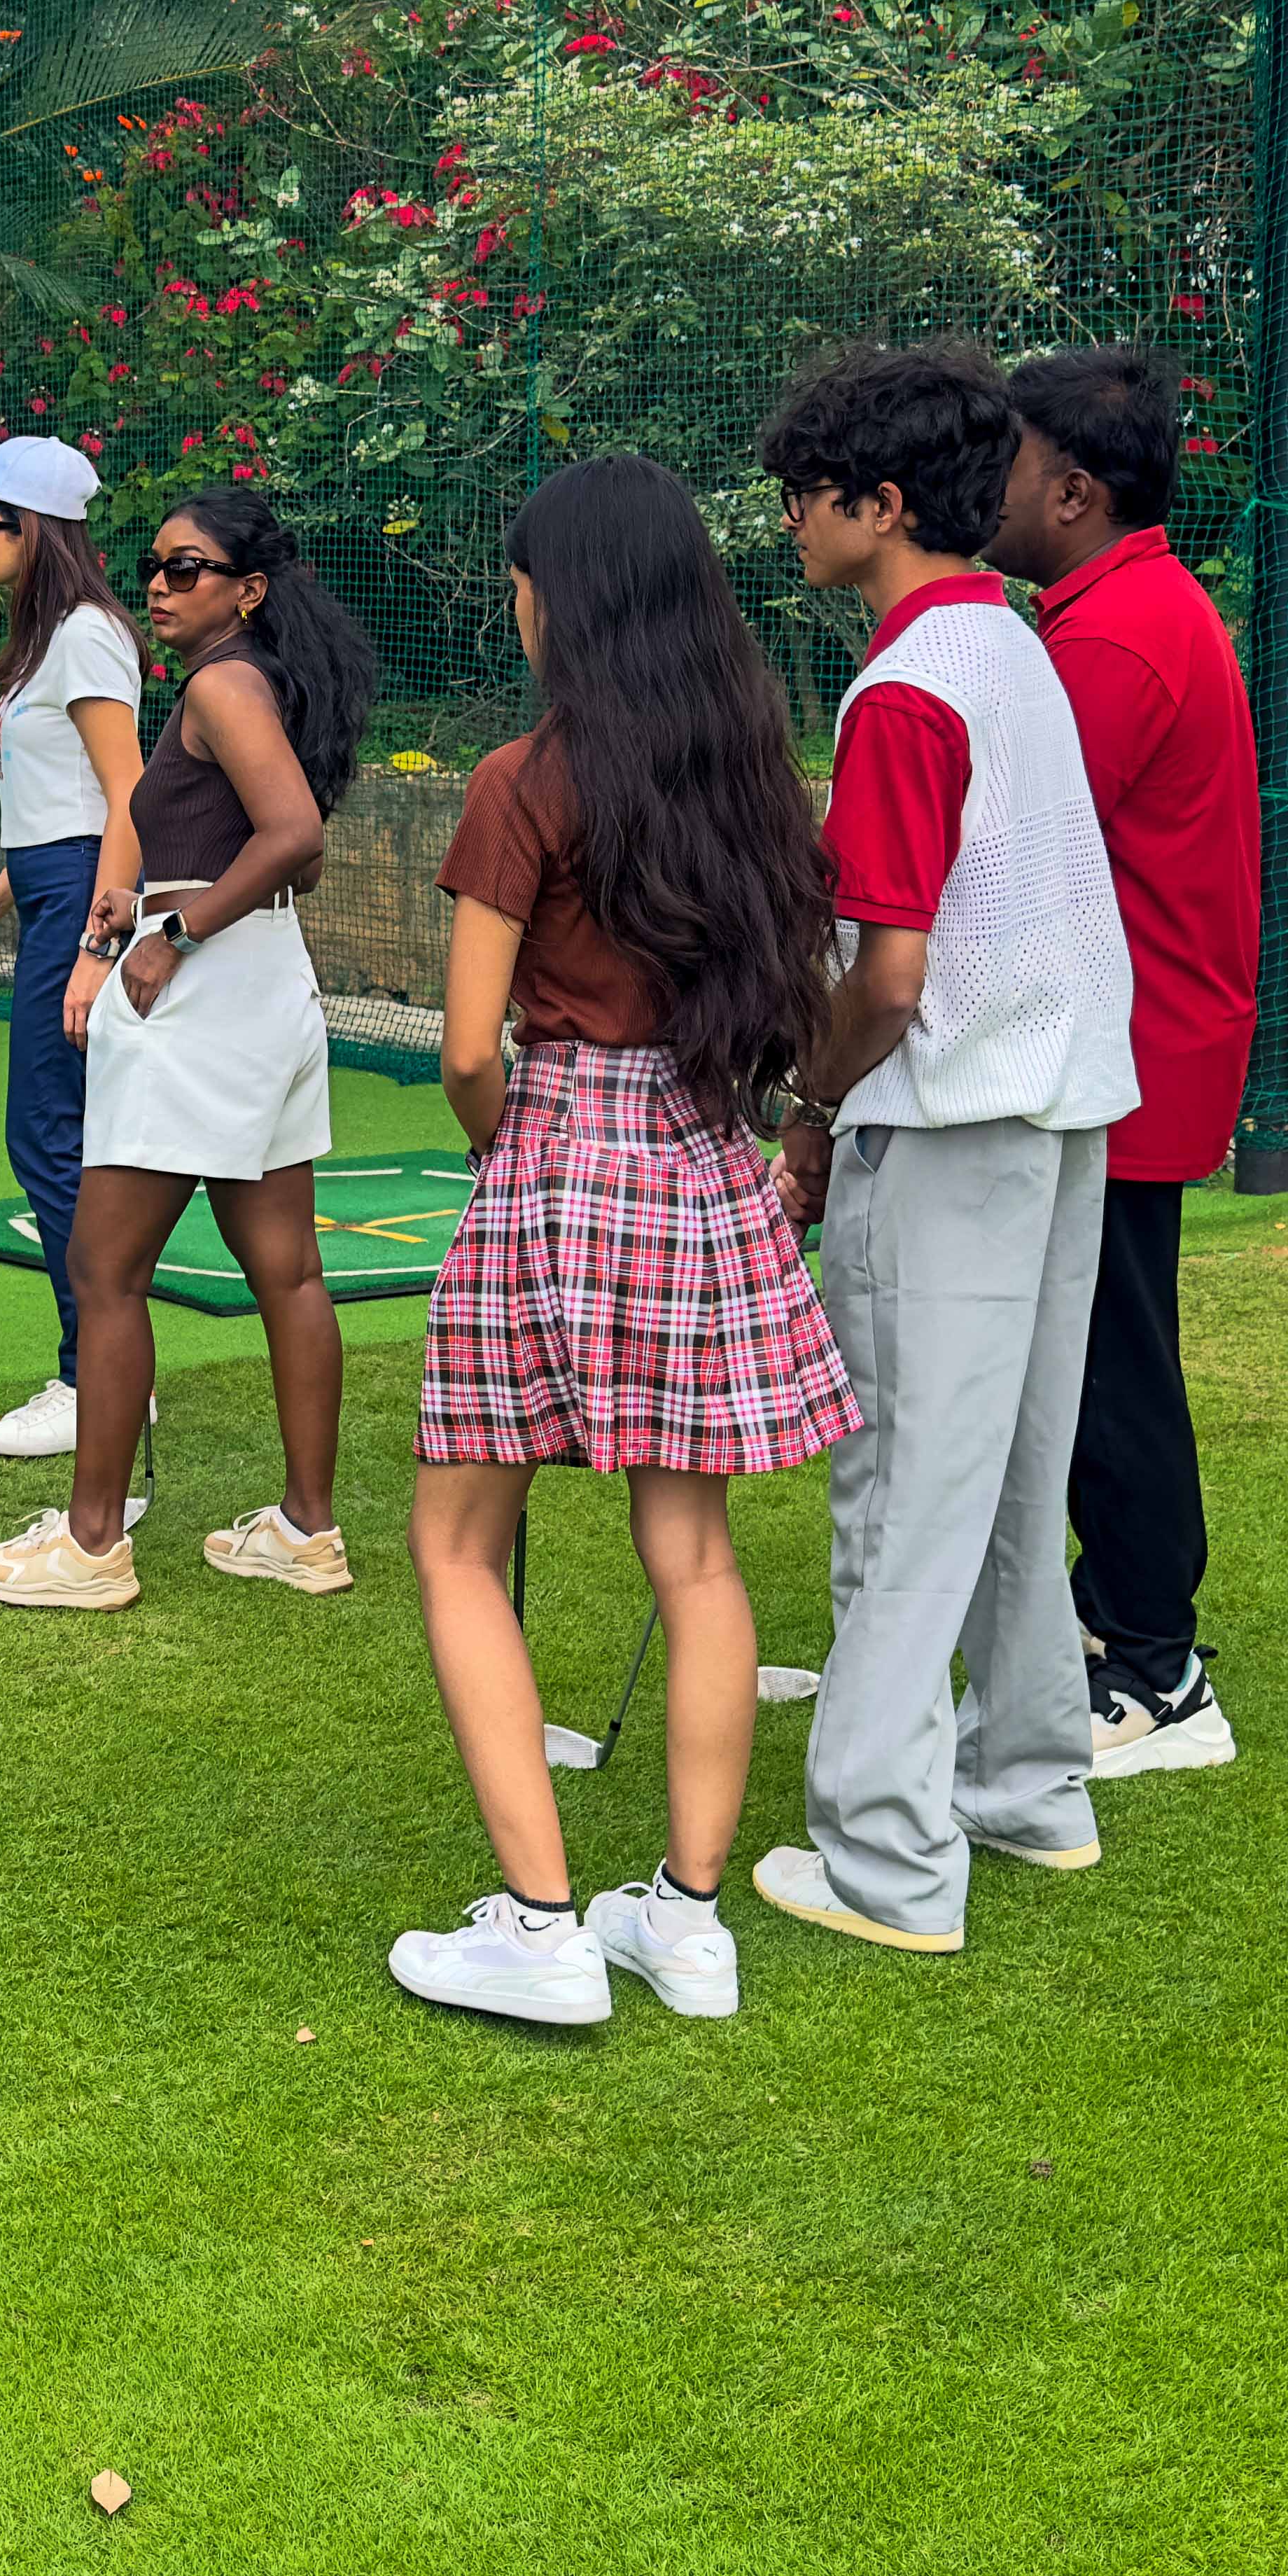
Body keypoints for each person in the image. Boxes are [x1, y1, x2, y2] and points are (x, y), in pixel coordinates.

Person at [383, 457, 862, 2029]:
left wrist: (506, 1157)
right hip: (705, 1157)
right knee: (697, 1555)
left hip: (563, 1151)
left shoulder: (528, 776)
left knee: (458, 1544)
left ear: (560, 598)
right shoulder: (748, 773)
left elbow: (467, 1050)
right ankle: (688, 1914)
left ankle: (538, 1923)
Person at [746, 346, 1138, 1960]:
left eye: (804, 496)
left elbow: (888, 977)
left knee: (907, 1485)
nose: (787, 523)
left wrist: (808, 1110)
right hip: (1056, 1120)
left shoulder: (909, 685)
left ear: (880, 503)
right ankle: (1030, 1783)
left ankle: (888, 1859)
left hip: (958, 1121)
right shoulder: (1016, 646)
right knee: (1006, 1476)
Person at [0, 489, 379, 1610]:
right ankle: (304, 1529)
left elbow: (298, 838)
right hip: (262, 986)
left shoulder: (222, 684)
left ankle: (91, 1545)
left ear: (247, 588)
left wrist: (175, 935)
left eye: (187, 569)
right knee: (286, 1267)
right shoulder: (248, 684)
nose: (158, 583)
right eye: (153, 565)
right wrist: (125, 919)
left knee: (105, 1270)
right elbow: (293, 861)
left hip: (203, 992)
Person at [993, 346, 1262, 1777]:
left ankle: (1159, 1671)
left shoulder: (1114, 635)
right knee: (1095, 1347)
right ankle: (1111, 1624)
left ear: (1075, 491)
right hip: (1138, 1034)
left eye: (1014, 467)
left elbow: (1014, 847)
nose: (992, 490)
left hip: (1131, 1047)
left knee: (1111, 1362)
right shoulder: (1120, 606)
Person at [0, 436, 150, 1460]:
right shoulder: (48, 639)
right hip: (55, 889)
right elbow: (59, 809)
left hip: (87, 905)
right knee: (55, 1136)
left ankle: (90, 1377)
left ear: (37, 529)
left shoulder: (87, 637)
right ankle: (98, 1371)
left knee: (51, 1137)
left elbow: (127, 795)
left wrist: (99, 938)